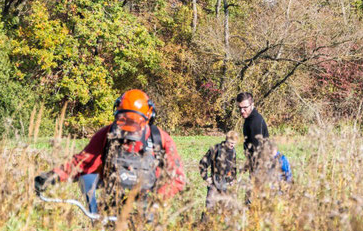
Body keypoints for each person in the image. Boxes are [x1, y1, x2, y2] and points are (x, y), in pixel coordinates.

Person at [34, 89, 186, 214]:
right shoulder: (107, 135)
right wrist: (51, 177)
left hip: (147, 210)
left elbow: (177, 178)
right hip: (111, 208)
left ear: (148, 117)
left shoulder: (160, 139)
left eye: (135, 123)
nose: (129, 129)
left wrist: (155, 199)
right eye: (124, 121)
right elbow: (81, 163)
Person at [199, 131, 238, 211]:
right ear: (226, 140)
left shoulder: (233, 151)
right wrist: (206, 177)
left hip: (226, 184)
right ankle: (205, 223)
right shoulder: (216, 149)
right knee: (209, 207)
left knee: (226, 209)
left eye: (234, 143)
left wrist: (233, 179)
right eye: (230, 143)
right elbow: (203, 163)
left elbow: (233, 167)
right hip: (214, 183)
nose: (232, 145)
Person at [236, 92, 268, 173]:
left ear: (252, 105)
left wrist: (247, 166)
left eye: (245, 107)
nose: (242, 111)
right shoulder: (249, 118)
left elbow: (258, 151)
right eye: (240, 108)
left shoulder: (255, 122)